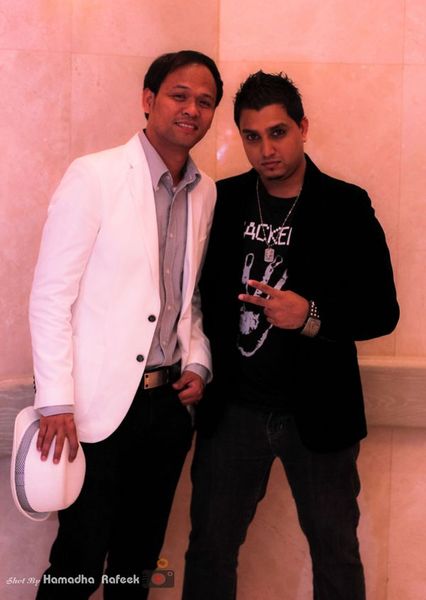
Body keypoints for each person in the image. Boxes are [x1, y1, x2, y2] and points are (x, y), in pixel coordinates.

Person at [182, 71, 399, 600]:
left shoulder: (346, 205)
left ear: (303, 128)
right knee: (209, 551)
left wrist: (311, 315)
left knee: (336, 554)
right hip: (233, 412)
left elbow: (382, 311)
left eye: (278, 133)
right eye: (252, 137)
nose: (266, 150)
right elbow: (194, 297)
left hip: (319, 415)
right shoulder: (223, 200)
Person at [29, 49, 223, 599]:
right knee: (78, 563)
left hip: (168, 410)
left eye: (205, 101)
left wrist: (199, 362)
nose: (192, 109)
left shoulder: (205, 192)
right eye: (179, 95)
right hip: (95, 412)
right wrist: (56, 401)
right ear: (148, 99)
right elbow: (51, 295)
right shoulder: (95, 175)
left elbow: (188, 297)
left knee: (135, 567)